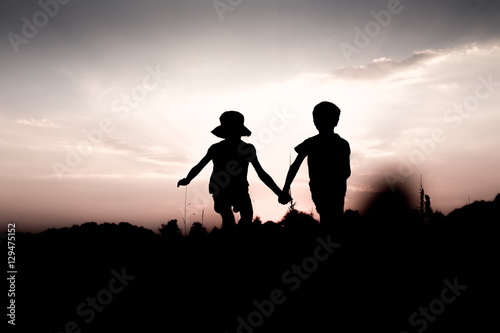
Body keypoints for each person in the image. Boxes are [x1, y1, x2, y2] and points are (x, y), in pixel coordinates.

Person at [178, 111, 291, 229]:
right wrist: (279, 193)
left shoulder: (218, 148)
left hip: (230, 189)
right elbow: (261, 173)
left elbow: (261, 173)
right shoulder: (240, 149)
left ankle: (233, 240)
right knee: (237, 218)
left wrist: (188, 179)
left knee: (236, 219)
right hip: (230, 189)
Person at [280, 101, 351, 225]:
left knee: (330, 220)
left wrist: (285, 188)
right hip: (331, 189)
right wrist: (285, 188)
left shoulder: (313, 143)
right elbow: (346, 172)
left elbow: (295, 166)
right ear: (336, 121)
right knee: (332, 220)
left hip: (328, 189)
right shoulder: (341, 143)